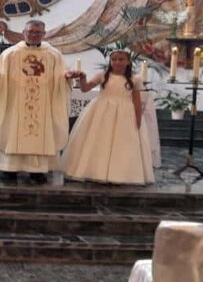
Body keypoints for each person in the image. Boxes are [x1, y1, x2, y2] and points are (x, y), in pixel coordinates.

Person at [0, 20, 84, 182]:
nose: (34, 35)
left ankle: (37, 171)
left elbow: (62, 75)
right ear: (24, 32)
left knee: (40, 132)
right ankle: (9, 169)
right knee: (12, 131)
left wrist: (67, 77)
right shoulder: (10, 53)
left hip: (43, 105)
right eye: (31, 32)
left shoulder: (53, 54)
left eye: (38, 32)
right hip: (15, 104)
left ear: (44, 34)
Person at [62, 50, 155, 185]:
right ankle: (94, 170)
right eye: (114, 59)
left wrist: (138, 119)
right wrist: (82, 79)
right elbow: (85, 89)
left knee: (122, 144)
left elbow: (136, 101)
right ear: (110, 62)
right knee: (99, 140)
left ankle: (121, 173)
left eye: (121, 59)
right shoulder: (103, 76)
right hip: (101, 112)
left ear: (128, 62)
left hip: (125, 114)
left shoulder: (135, 79)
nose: (117, 62)